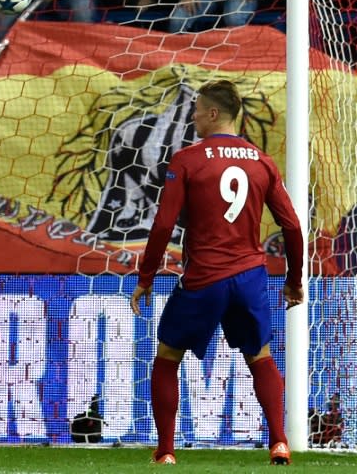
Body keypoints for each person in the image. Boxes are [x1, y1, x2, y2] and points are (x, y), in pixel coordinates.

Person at [129, 80, 305, 465]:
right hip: (249, 277)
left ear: (212, 113)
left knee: (167, 358)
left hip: (204, 278)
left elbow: (162, 226)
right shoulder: (261, 161)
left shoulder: (188, 160)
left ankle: (165, 452)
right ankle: (278, 441)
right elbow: (292, 226)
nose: (191, 116)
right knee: (259, 356)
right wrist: (294, 281)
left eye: (196, 110)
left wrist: (145, 278)